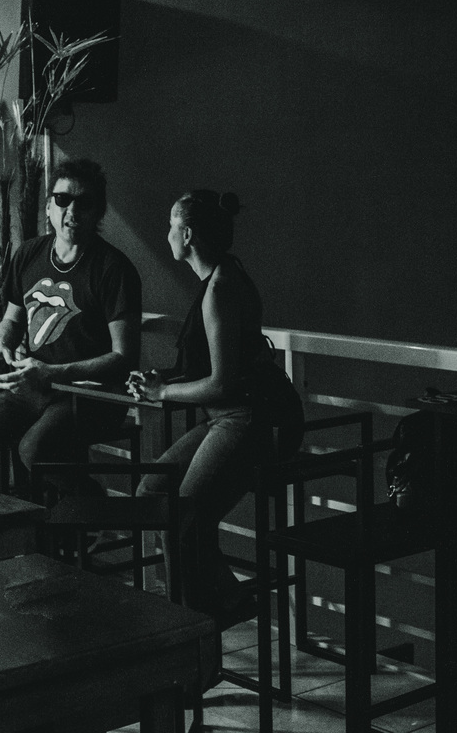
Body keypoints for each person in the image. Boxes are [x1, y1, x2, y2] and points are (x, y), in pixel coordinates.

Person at [127, 189, 302, 628]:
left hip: (250, 419)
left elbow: (223, 382)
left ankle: (195, 625)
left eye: (171, 225)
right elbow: (218, 367)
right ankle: (217, 603)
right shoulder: (223, 276)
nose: (166, 233)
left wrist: (162, 395)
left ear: (187, 235)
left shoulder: (220, 289)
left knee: (183, 518)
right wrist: (162, 380)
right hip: (229, 415)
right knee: (152, 494)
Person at [0, 159, 142, 491]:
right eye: (62, 199)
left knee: (34, 451)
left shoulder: (113, 269)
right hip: (32, 387)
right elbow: (12, 319)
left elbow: (124, 357)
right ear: (48, 206)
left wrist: (53, 373)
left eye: (84, 202)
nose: (71, 210)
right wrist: (0, 346)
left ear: (99, 211)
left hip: (91, 395)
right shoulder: (30, 253)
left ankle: (97, 508)